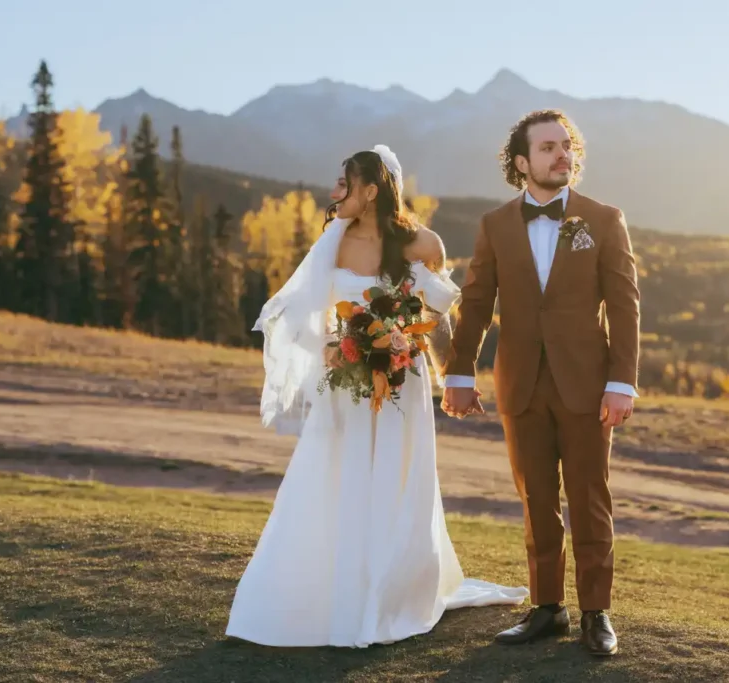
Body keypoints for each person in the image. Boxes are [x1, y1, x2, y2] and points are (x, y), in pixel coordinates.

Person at [225, 145, 527, 649]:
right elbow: (305, 316)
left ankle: (395, 590)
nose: (334, 192)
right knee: (338, 477)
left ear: (370, 191)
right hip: (345, 385)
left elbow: (435, 321)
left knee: (398, 476)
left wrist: (453, 377)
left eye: (343, 183)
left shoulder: (423, 243)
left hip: (403, 385)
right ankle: (335, 588)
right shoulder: (333, 242)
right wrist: (333, 347)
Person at [441, 110, 641, 657]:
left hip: (587, 384)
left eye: (566, 145)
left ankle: (596, 613)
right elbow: (476, 304)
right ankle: (547, 608)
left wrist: (622, 382)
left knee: (590, 498)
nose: (562, 155)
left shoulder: (604, 219)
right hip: (520, 382)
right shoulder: (496, 225)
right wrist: (459, 372)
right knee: (536, 500)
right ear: (522, 162)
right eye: (549, 147)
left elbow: (625, 306)